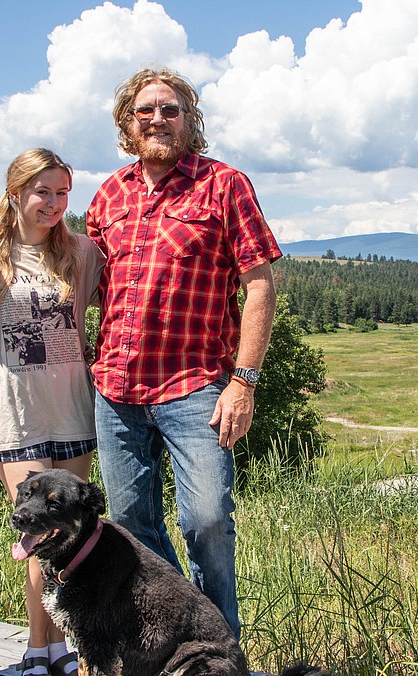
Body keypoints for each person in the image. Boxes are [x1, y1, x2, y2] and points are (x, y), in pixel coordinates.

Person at [85, 68, 281, 640]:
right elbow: (88, 284)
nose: (157, 119)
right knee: (129, 524)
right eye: (145, 110)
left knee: (207, 520)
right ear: (128, 123)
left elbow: (260, 284)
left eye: (170, 109)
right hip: (116, 389)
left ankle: (220, 651)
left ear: (191, 120)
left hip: (196, 386)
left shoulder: (224, 185)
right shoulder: (110, 195)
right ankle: (172, 643)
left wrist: (243, 382)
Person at [0, 148, 104, 676]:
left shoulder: (81, 254)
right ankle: (34, 645)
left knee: (70, 536)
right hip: (16, 418)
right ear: (16, 192)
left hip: (72, 409)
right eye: (42, 191)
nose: (53, 203)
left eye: (63, 192)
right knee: (36, 533)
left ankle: (60, 647)